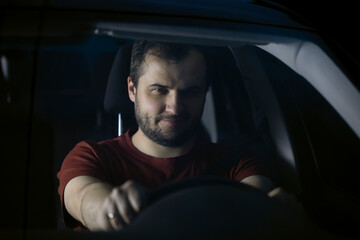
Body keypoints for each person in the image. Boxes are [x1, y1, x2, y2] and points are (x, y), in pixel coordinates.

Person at [57, 40, 276, 231]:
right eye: (159, 90)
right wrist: (110, 210)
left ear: (204, 92)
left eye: (190, 92)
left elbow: (256, 213)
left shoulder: (238, 164)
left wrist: (274, 215)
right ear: (132, 90)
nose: (175, 108)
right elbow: (86, 199)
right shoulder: (92, 157)